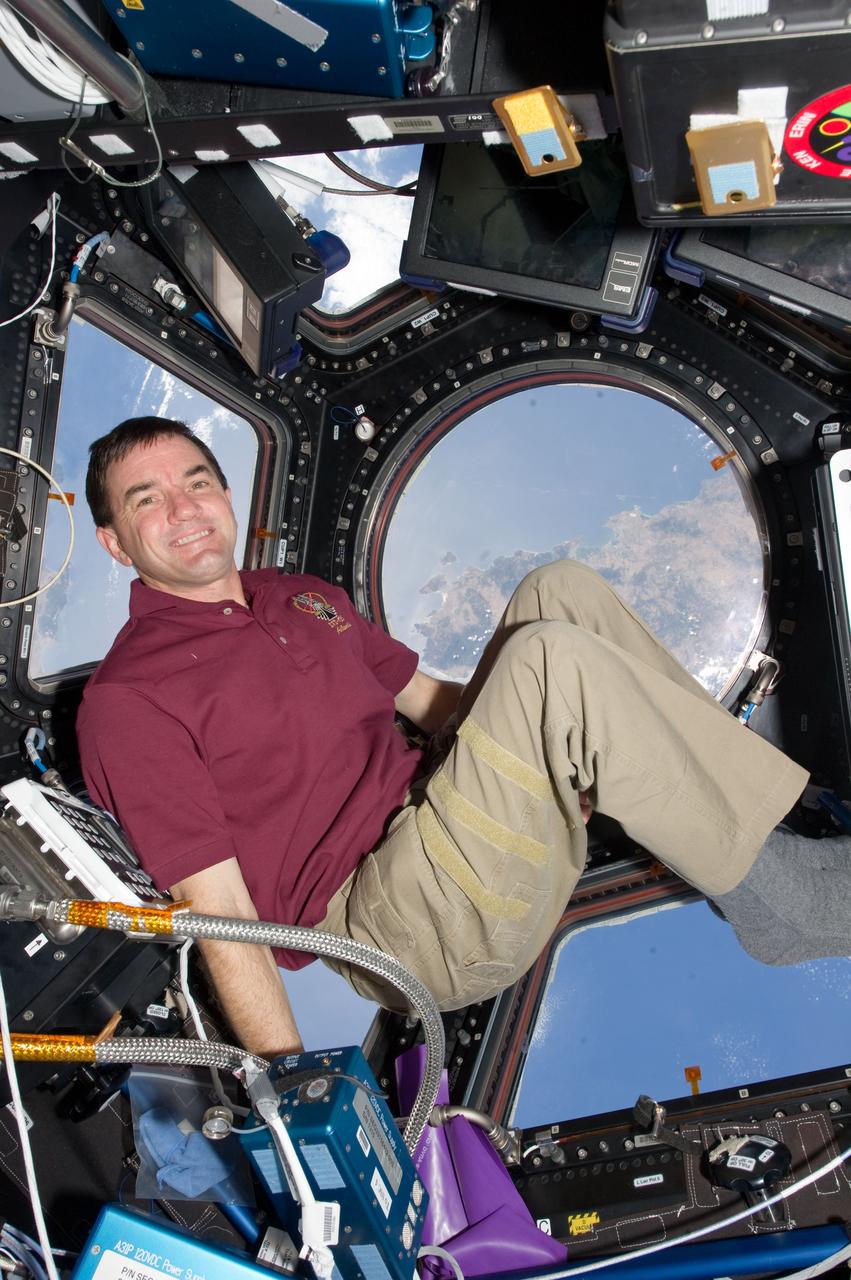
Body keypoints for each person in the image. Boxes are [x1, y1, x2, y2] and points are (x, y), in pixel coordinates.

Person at [78, 417, 847, 1059]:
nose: (184, 508)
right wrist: (290, 1083)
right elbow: (218, 916)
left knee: (559, 592)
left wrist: (537, 751)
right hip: (405, 921)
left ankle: (767, 846)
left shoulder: (294, 597)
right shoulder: (128, 698)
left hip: (445, 812)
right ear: (116, 543)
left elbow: (428, 702)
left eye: (197, 482)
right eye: (148, 500)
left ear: (225, 495)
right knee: (549, 658)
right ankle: (793, 904)